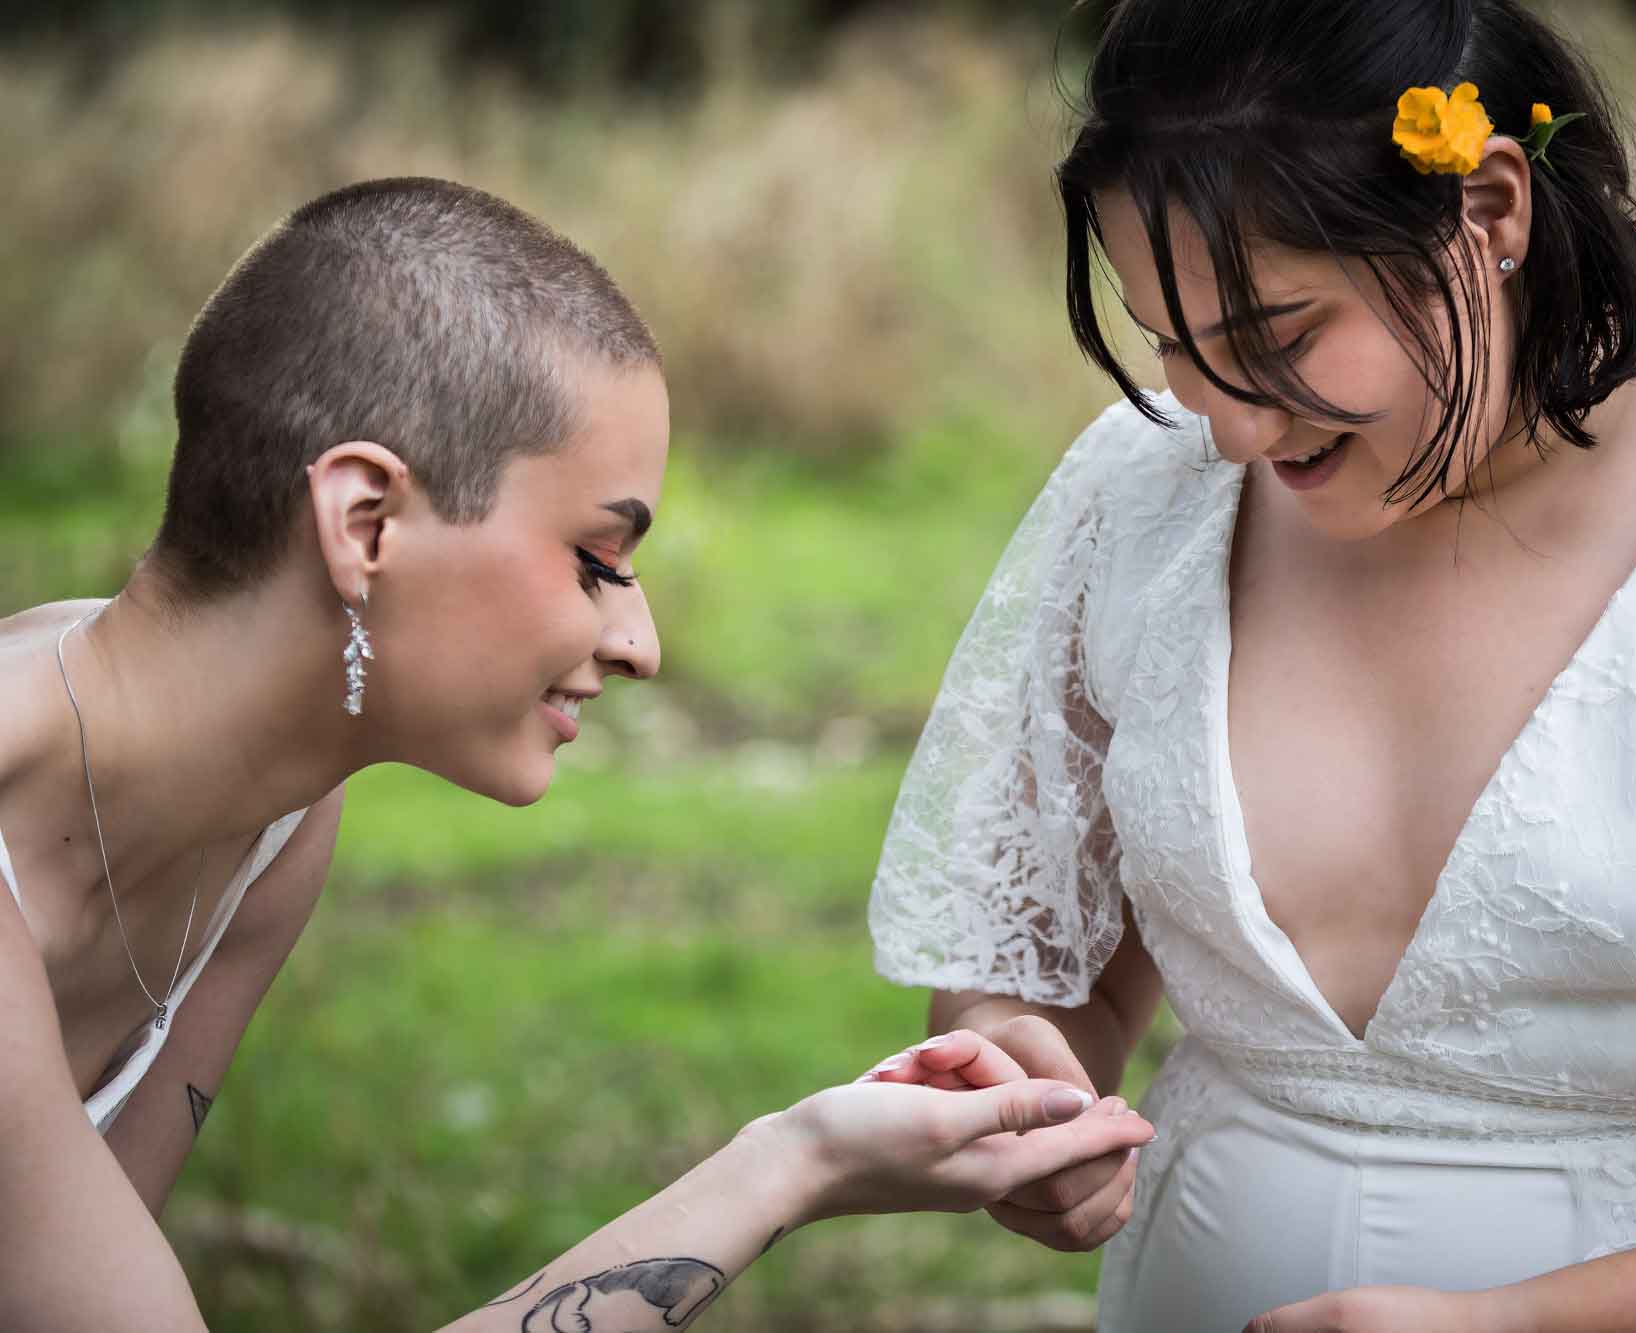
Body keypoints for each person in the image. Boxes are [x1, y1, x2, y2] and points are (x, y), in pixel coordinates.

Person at [867, 1, 1636, 1329]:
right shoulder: (1142, 490)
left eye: (1277, 337)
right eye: (1177, 352)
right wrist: (1023, 1068)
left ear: (1493, 210)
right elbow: (1058, 958)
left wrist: (1515, 1325)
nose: (1228, 430)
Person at [0, 176, 1157, 1332]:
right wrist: (786, 1168)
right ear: (365, 523)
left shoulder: (274, 823)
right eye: (597, 561)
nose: (640, 642)